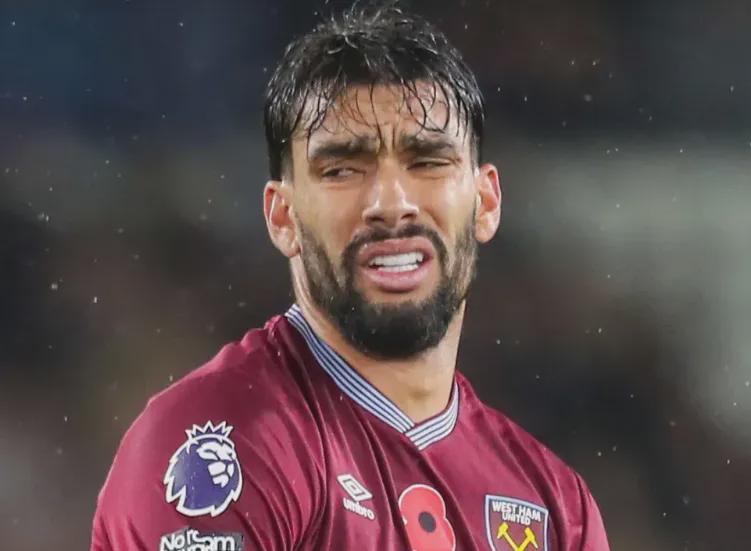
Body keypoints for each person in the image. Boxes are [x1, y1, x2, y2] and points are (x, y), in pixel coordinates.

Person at [91, 5, 610, 550]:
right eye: (342, 169)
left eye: (427, 161)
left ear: (486, 202)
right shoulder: (222, 447)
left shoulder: (554, 507)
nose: (392, 202)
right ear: (283, 217)